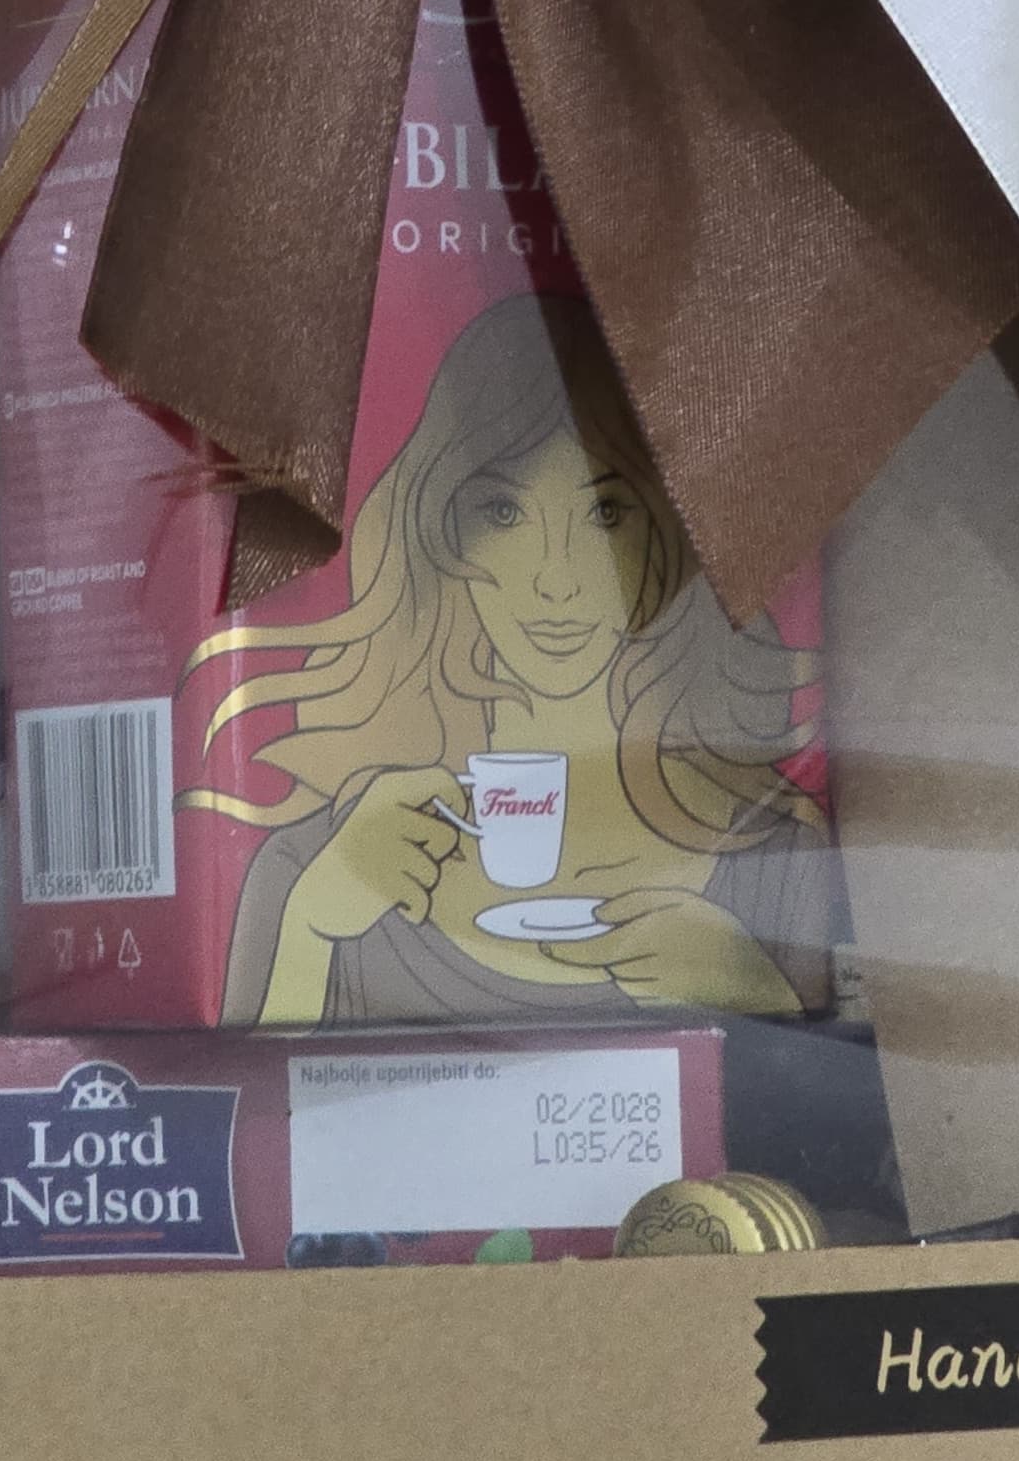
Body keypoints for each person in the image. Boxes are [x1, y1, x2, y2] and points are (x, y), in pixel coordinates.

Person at [189, 293, 835, 1027]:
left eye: (605, 513)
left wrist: (757, 995)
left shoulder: (774, 854)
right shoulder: (313, 867)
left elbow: (826, 1097)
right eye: (503, 512)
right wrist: (309, 933)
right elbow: (234, 1102)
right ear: (441, 531)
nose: (555, 579)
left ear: (670, 536)